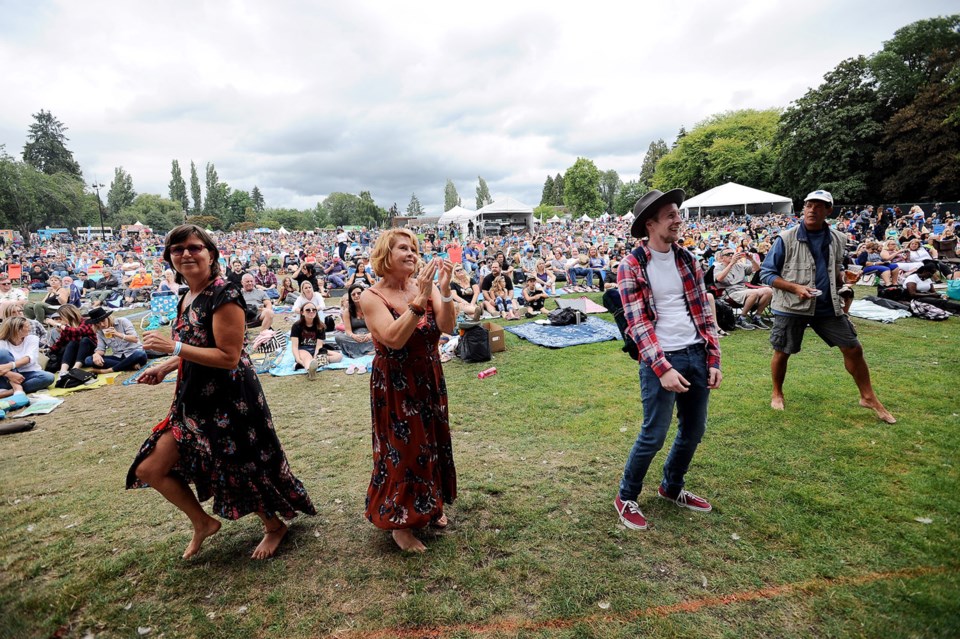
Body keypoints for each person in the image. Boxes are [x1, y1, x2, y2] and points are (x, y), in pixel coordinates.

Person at [128, 224, 315, 560]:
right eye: (177, 249)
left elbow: (229, 357)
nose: (186, 253)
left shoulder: (224, 293)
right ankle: (202, 522)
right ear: (169, 258)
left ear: (210, 253)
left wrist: (174, 347)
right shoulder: (185, 296)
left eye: (194, 247)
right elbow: (198, 345)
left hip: (231, 397)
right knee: (149, 468)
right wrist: (166, 365)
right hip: (192, 397)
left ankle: (274, 527)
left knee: (242, 463)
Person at [614, 189, 722, 532]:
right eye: (671, 215)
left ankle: (671, 487)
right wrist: (662, 368)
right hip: (660, 357)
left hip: (696, 354)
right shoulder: (631, 265)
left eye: (678, 213)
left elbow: (705, 312)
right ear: (651, 224)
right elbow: (637, 323)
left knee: (694, 430)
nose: (679, 220)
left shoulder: (688, 259)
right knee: (654, 434)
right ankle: (626, 496)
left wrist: (714, 357)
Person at [359, 229, 457, 553]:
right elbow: (394, 337)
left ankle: (431, 504)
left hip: (429, 375)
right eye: (404, 248)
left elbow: (447, 327)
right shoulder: (371, 296)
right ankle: (400, 524)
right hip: (397, 383)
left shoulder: (420, 286)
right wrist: (420, 299)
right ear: (386, 255)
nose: (412, 253)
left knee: (432, 441)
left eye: (414, 248)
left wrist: (443, 290)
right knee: (405, 449)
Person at [760, 190, 895, 424]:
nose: (812, 209)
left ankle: (868, 396)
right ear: (803, 208)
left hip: (826, 304)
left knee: (853, 347)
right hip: (791, 305)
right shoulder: (786, 238)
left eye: (819, 206)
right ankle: (777, 392)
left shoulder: (838, 238)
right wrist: (795, 288)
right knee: (783, 351)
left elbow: (836, 268)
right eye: (809, 205)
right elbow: (767, 273)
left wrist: (843, 277)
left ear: (828, 211)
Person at [713, 249, 772, 330]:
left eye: (732, 253)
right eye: (728, 254)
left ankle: (757, 317)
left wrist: (751, 259)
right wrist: (731, 264)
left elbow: (757, 269)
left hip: (744, 289)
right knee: (753, 292)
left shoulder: (740, 265)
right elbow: (719, 278)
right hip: (729, 293)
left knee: (768, 290)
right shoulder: (718, 267)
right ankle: (741, 319)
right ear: (722, 258)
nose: (731, 255)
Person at [0, 317, 55, 398]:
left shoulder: (32, 339)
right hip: (5, 376)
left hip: (27, 374)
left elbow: (28, 358)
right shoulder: (2, 342)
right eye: (27, 326)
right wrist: (10, 374)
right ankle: (17, 388)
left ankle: (10, 391)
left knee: (48, 377)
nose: (30, 328)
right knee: (3, 353)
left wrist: (10, 366)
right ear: (18, 330)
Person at [82, 307, 148, 374]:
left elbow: (135, 339)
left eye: (103, 321)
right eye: (98, 323)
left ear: (108, 317)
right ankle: (130, 366)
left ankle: (109, 370)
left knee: (140, 353)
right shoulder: (99, 331)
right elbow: (101, 349)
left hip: (133, 354)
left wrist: (117, 334)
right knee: (88, 360)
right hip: (118, 357)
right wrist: (96, 354)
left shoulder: (122, 321)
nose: (102, 325)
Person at [290, 303, 340, 379]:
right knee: (307, 358)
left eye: (314, 310)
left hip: (315, 349)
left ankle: (304, 365)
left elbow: (319, 346)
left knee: (338, 356)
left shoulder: (320, 326)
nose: (311, 311)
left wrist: (316, 356)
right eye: (308, 310)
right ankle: (310, 371)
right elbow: (294, 346)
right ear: (302, 312)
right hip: (302, 350)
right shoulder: (296, 326)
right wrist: (297, 358)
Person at [335, 284, 375, 360]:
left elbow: (376, 327)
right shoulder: (347, 312)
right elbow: (348, 331)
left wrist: (370, 335)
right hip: (355, 338)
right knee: (338, 337)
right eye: (353, 294)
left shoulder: (370, 308)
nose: (356, 296)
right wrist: (354, 336)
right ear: (351, 297)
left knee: (381, 335)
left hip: (370, 337)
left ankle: (356, 351)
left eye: (359, 293)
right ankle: (369, 351)